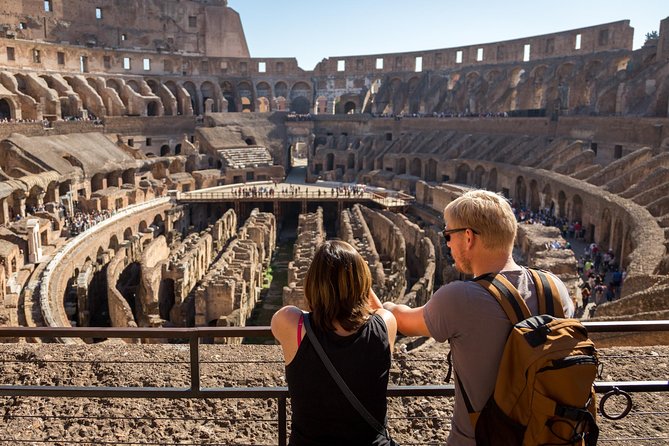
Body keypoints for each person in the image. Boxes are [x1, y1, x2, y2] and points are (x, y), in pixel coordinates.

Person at [383, 190, 573, 446]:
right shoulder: (556, 288)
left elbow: (403, 321)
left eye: (448, 235)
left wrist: (382, 305)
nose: (447, 243)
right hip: (551, 435)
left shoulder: (459, 298)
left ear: (469, 237)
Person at [272, 240, 397, 446]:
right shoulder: (386, 324)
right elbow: (378, 311)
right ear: (362, 282)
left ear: (312, 282)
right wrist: (360, 276)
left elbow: (300, 313)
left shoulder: (290, 322)